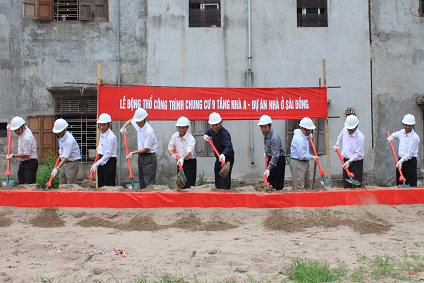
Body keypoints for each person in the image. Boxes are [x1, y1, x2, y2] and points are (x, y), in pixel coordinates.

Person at [120, 108, 157, 189]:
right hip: (141, 157)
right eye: (137, 121)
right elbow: (131, 120)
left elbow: (147, 149)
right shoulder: (138, 123)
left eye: (140, 121)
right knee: (142, 180)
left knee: (149, 183)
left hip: (149, 158)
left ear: (145, 119)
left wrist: (133, 153)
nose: (138, 123)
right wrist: (124, 126)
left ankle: (149, 200)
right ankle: (142, 199)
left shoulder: (149, 131)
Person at [204, 112, 235, 190]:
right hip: (218, 157)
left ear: (220, 123)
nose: (214, 127)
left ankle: (225, 192)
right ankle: (218, 191)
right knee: (217, 173)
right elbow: (209, 132)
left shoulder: (225, 134)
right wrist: (206, 134)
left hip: (227, 158)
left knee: (225, 177)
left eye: (216, 125)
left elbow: (229, 147)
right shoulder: (212, 130)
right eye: (212, 125)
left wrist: (223, 154)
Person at [387, 114, 420, 187]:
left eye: (409, 125)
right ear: (403, 124)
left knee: (411, 184)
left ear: (413, 125)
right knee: (400, 184)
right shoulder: (402, 132)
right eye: (406, 125)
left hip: (410, 162)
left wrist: (401, 161)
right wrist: (392, 137)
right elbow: (396, 134)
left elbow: (410, 153)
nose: (407, 127)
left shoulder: (415, 138)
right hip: (400, 161)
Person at [333, 115, 365, 188]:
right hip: (345, 161)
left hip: (356, 163)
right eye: (348, 128)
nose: (348, 130)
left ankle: (356, 198)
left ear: (356, 126)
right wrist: (337, 144)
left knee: (356, 185)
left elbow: (358, 154)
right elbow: (340, 136)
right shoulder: (345, 129)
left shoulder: (360, 137)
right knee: (346, 184)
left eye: (350, 129)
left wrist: (349, 161)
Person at [6, 116, 38, 184]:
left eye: (18, 129)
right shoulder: (24, 129)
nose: (16, 131)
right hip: (23, 163)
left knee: (28, 186)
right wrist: (10, 126)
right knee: (21, 185)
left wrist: (13, 155)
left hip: (29, 163)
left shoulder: (26, 138)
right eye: (15, 130)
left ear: (23, 126)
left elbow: (26, 154)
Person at [289, 117, 319, 190]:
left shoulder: (303, 135)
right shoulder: (300, 139)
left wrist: (308, 136)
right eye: (309, 130)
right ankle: (299, 201)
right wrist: (312, 157)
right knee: (299, 187)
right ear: (302, 128)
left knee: (307, 184)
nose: (310, 132)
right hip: (298, 162)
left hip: (304, 162)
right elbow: (301, 156)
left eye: (311, 130)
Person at [168, 116, 197, 188]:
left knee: (189, 184)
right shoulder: (174, 136)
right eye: (179, 127)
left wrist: (183, 158)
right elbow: (170, 148)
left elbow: (189, 152)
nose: (181, 129)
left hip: (190, 162)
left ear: (187, 128)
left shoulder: (191, 139)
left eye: (183, 127)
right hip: (180, 162)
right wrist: (173, 155)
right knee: (180, 183)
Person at [258, 115, 285, 190]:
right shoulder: (266, 134)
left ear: (270, 126)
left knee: (277, 184)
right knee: (270, 183)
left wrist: (268, 168)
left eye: (265, 127)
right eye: (261, 127)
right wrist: (267, 153)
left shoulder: (274, 138)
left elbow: (275, 156)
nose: (263, 129)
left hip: (278, 160)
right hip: (271, 159)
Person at [90, 113, 118, 187]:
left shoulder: (110, 137)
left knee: (108, 184)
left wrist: (96, 164)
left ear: (109, 124)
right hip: (102, 159)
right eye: (100, 125)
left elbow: (107, 154)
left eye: (104, 125)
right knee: (101, 183)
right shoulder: (102, 133)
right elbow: (101, 147)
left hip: (109, 161)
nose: (101, 127)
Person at [51, 118, 81, 184]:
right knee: (62, 182)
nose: (58, 133)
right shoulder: (61, 137)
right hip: (64, 163)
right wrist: (61, 151)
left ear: (65, 129)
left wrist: (57, 168)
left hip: (71, 164)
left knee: (70, 185)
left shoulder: (69, 140)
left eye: (60, 131)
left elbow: (66, 157)